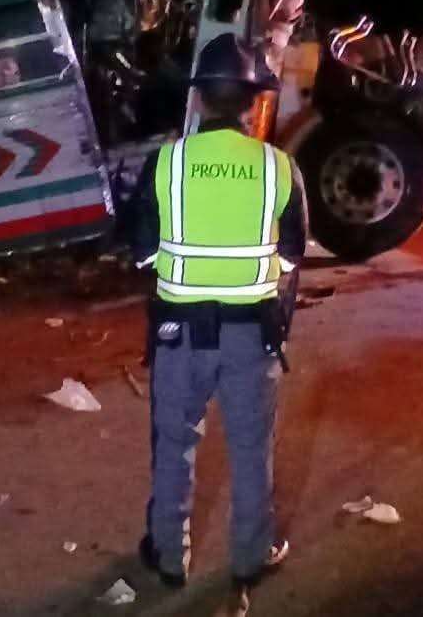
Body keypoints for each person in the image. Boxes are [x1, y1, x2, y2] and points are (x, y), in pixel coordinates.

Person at [126, 33, 308, 596]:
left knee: (174, 447)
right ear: (254, 103)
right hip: (250, 339)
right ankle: (251, 557)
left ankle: (168, 557)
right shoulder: (280, 169)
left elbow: (142, 254)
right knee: (252, 450)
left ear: (200, 99)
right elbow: (291, 256)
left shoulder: (166, 163)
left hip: (178, 336)